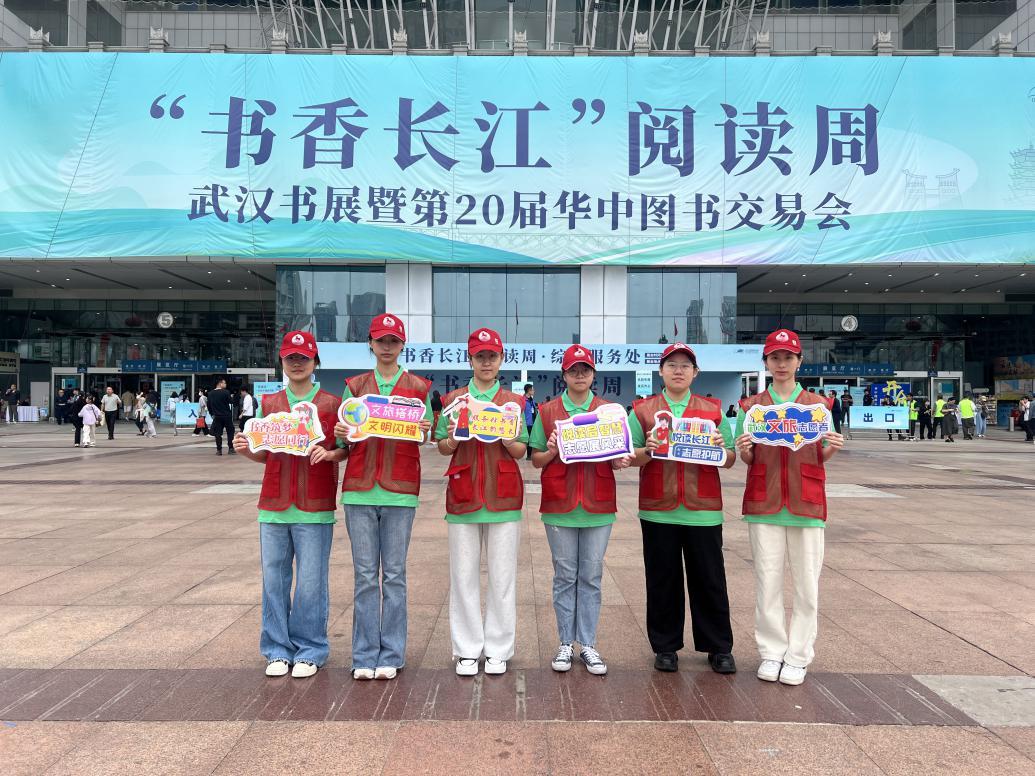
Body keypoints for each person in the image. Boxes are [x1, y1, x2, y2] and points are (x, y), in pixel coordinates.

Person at [233, 330, 347, 679]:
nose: (297, 364)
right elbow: (266, 454)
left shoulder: (331, 404)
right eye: (290, 358)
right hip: (274, 504)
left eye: (304, 358)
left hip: (315, 504)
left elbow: (346, 449)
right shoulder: (269, 404)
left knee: (311, 582)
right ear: (281, 362)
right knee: (274, 580)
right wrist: (247, 450)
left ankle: (311, 649)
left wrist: (330, 454)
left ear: (315, 362)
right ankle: (277, 649)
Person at [734, 329, 844, 687]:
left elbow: (822, 453)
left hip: (806, 501)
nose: (781, 364)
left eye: (788, 357)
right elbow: (747, 456)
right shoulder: (752, 407)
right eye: (775, 358)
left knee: (806, 585)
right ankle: (771, 651)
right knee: (767, 582)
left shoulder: (818, 406)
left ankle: (798, 655)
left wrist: (832, 447)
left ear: (799, 361)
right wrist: (745, 449)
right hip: (764, 501)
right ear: (766, 362)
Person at [332, 314, 433, 681]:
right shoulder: (355, 386)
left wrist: (425, 430)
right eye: (380, 340)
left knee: (393, 575)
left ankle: (391, 653)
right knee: (364, 576)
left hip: (400, 491)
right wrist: (342, 431)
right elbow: (343, 439)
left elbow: (426, 435)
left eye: (393, 340)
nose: (387, 346)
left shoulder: (419, 388)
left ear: (402, 345)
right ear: (371, 344)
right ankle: (363, 654)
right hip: (360, 489)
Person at [629, 342, 738, 676]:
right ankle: (665, 647)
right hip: (657, 507)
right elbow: (629, 455)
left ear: (695, 372)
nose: (678, 371)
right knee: (662, 579)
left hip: (703, 508)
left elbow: (730, 458)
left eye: (685, 366)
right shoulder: (643, 410)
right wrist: (647, 450)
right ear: (661, 371)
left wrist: (720, 448)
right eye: (672, 365)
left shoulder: (712, 410)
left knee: (710, 579)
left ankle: (719, 647)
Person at [530, 345, 631, 677]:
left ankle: (587, 643)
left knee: (590, 576)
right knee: (564, 576)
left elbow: (617, 457)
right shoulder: (548, 411)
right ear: (564, 375)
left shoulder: (608, 412)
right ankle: (565, 642)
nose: (579, 375)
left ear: (593, 374)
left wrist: (620, 460)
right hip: (559, 503)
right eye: (573, 370)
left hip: (597, 503)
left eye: (585, 370)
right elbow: (535, 459)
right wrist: (550, 450)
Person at [435, 328, 527, 677]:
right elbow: (441, 445)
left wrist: (507, 439)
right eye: (480, 356)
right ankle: (467, 649)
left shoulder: (513, 403)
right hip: (463, 494)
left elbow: (521, 450)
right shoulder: (453, 400)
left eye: (492, 356)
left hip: (503, 495)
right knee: (463, 577)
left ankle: (499, 649)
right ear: (470, 359)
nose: (486, 362)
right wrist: (454, 438)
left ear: (501, 359)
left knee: (502, 578)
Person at [207, 379, 235, 455]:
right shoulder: (226, 392)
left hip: (217, 416)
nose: (225, 384)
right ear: (220, 383)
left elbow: (209, 405)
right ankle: (231, 448)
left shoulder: (210, 393)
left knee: (218, 433)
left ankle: (219, 450)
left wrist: (212, 414)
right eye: (224, 383)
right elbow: (231, 401)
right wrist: (231, 397)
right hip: (227, 416)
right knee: (230, 432)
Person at [523, 383, 538, 460]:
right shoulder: (523, 400)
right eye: (532, 390)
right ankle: (529, 456)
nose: (534, 391)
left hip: (533, 423)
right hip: (527, 423)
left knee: (531, 439)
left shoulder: (531, 400)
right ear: (529, 390)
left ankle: (530, 455)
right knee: (528, 440)